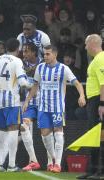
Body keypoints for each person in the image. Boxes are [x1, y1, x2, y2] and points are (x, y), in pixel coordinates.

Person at [23, 45, 86, 173]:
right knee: (45, 135)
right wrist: (27, 101)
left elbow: (77, 83)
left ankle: (57, 164)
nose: (45, 56)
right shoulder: (40, 68)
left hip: (58, 107)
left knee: (58, 132)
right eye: (44, 54)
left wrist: (82, 96)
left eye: (47, 54)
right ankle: (53, 158)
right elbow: (35, 86)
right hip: (43, 107)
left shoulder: (63, 68)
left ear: (55, 55)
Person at [0, 38, 31, 172]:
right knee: (13, 130)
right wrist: (32, 85)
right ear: (18, 49)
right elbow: (22, 82)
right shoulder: (17, 61)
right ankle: (11, 165)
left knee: (2, 131)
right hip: (12, 101)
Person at [77, 34, 104, 179]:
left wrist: (101, 104)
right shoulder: (97, 59)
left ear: (93, 43)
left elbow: (103, 83)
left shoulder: (100, 59)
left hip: (97, 101)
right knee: (95, 136)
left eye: (87, 44)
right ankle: (93, 170)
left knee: (98, 136)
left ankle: (98, 171)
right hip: (94, 100)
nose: (85, 47)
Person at [20, 42, 41, 171]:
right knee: (23, 126)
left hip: (45, 102)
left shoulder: (45, 63)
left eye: (26, 51)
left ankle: (52, 162)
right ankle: (34, 160)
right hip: (30, 102)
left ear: (34, 52)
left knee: (48, 133)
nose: (24, 54)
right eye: (23, 52)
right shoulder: (20, 65)